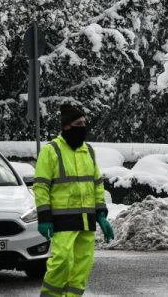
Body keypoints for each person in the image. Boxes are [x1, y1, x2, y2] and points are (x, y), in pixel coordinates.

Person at [33, 104, 114, 297]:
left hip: (86, 221)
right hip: (62, 220)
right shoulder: (51, 151)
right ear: (66, 126)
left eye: (85, 123)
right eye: (79, 123)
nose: (83, 127)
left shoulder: (88, 151)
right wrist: (44, 217)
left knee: (81, 268)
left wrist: (101, 214)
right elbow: (41, 186)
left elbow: (97, 184)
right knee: (61, 261)